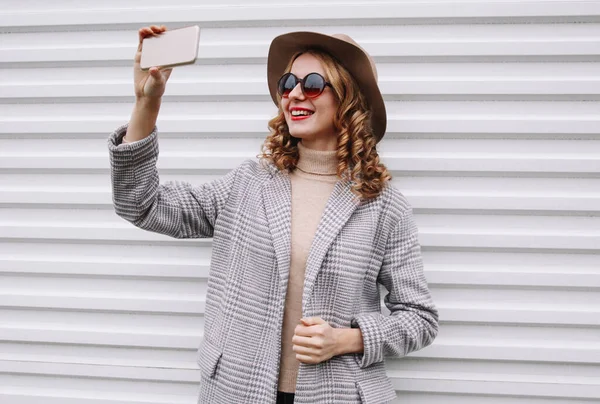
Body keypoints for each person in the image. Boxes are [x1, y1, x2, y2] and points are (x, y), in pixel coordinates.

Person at [107, 25, 439, 404]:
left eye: (313, 83)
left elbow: (419, 317)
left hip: (338, 395)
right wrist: (147, 101)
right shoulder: (249, 183)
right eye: (287, 83)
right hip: (236, 390)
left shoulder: (382, 205)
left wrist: (347, 339)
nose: (294, 94)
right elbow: (141, 203)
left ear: (348, 97)